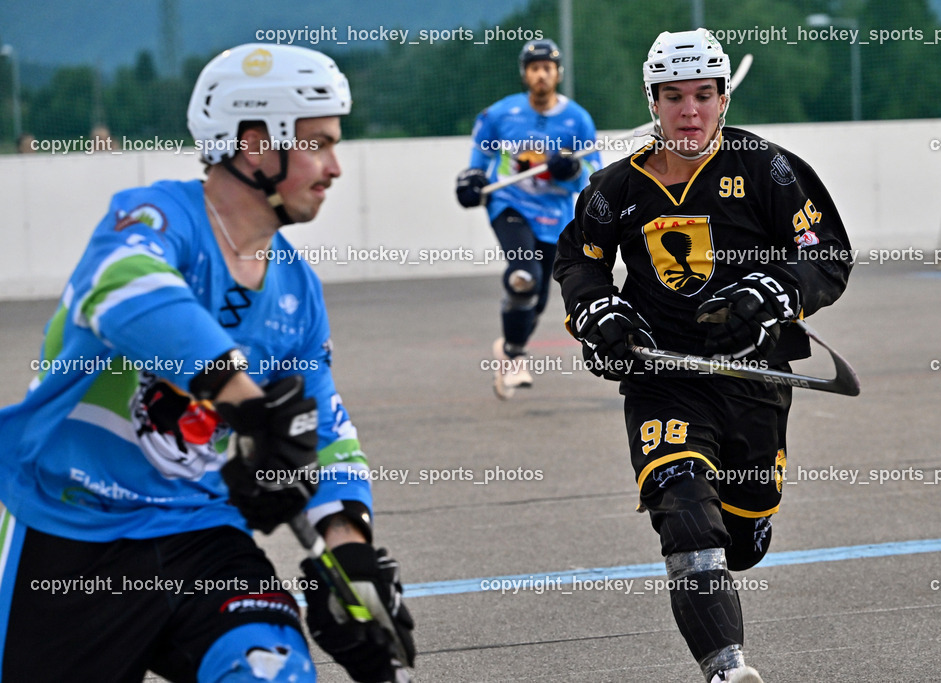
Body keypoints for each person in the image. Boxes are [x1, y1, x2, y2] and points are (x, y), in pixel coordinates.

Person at [0, 44, 413, 683]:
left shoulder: (296, 288)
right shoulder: (153, 219)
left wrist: (349, 552)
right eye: (319, 144)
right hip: (72, 530)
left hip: (201, 532)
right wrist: (243, 400)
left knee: (272, 671)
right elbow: (132, 290)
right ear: (255, 143)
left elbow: (321, 431)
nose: (334, 167)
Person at [554, 29, 853, 683]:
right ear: (652, 101)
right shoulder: (613, 189)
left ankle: (746, 526)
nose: (689, 111)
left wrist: (776, 290)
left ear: (723, 97)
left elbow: (826, 253)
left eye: (703, 95)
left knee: (741, 541)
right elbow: (579, 259)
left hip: (754, 383)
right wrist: (594, 312)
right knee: (685, 515)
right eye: (673, 96)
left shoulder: (769, 169)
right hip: (663, 380)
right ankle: (727, 669)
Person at [456, 39, 600, 399]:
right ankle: (516, 357)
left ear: (558, 73)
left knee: (535, 299)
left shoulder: (577, 119)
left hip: (555, 216)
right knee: (524, 274)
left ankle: (508, 348)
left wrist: (571, 170)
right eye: (534, 68)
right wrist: (472, 179)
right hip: (510, 204)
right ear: (525, 74)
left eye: (547, 68)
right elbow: (480, 156)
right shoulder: (501, 114)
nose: (541, 74)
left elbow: (593, 172)